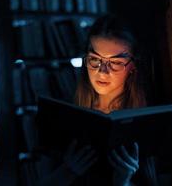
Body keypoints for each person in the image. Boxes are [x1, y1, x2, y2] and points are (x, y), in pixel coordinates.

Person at [34, 14, 155, 186]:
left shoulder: (146, 119)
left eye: (115, 62)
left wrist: (123, 182)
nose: (102, 71)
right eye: (95, 59)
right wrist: (67, 171)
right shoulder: (67, 113)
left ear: (133, 66)